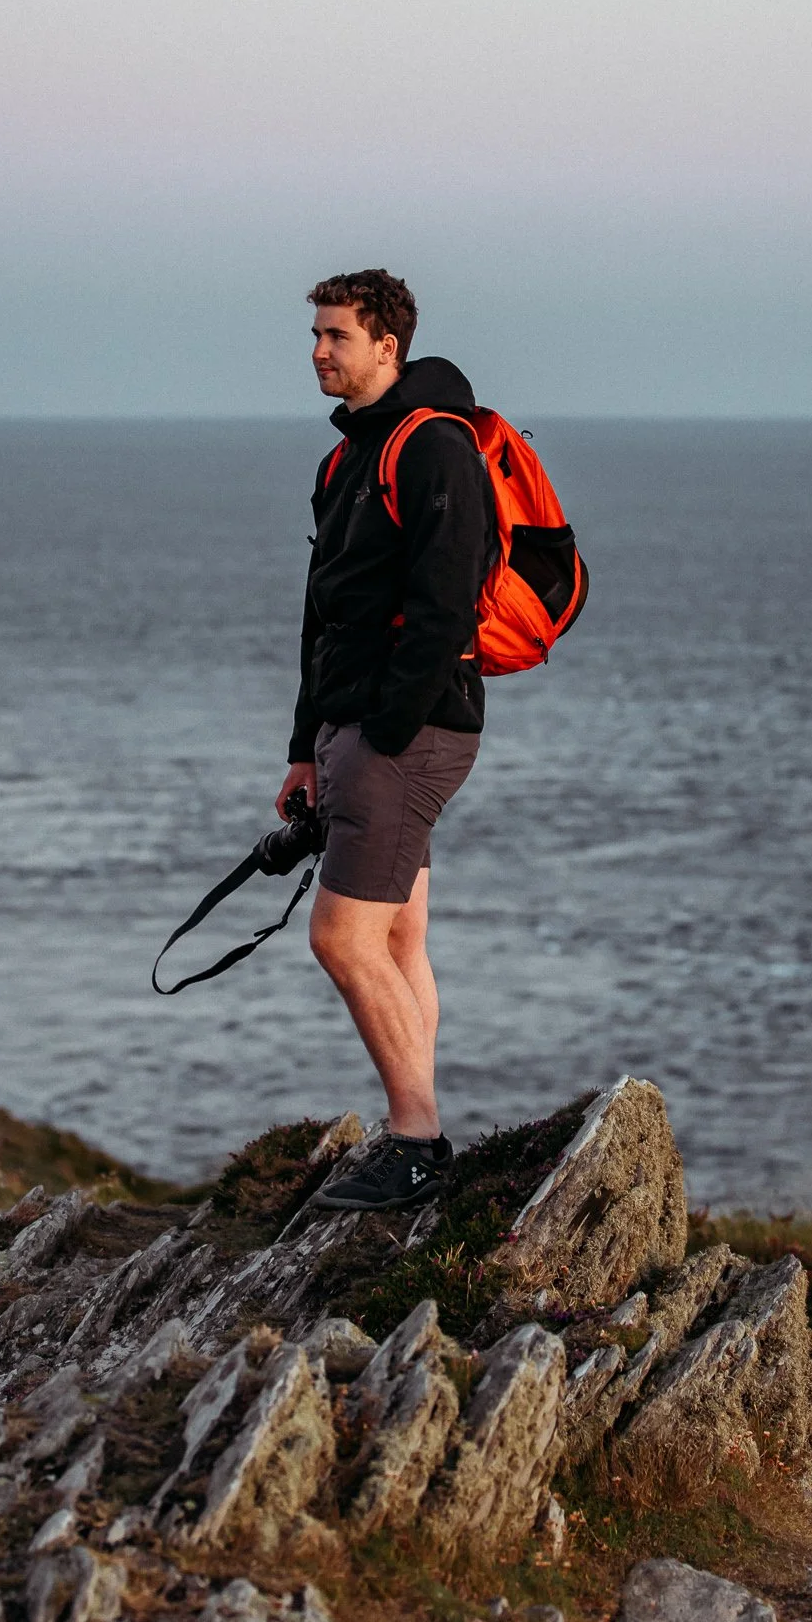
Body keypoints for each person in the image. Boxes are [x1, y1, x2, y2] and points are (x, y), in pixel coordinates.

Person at [275, 269, 496, 1212]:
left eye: (336, 335)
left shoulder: (434, 447)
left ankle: (414, 1140)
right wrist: (305, 746)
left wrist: (387, 732)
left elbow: (447, 605)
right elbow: (322, 614)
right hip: (352, 727)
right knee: (398, 933)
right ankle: (420, 1128)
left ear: (385, 346)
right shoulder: (344, 462)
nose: (318, 351)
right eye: (315, 335)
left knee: (340, 935)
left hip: (404, 730)